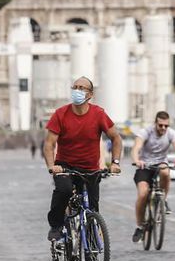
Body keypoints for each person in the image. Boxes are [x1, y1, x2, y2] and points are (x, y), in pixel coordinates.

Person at [44, 76, 122, 241]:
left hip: (90, 168)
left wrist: (115, 163)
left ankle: (92, 247)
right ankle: (57, 225)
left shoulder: (98, 114)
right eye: (75, 87)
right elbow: (49, 144)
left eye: (82, 88)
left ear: (90, 94)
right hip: (65, 166)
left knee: (92, 208)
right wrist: (52, 166)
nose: (77, 91)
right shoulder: (60, 114)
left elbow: (116, 138)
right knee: (64, 191)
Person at [131, 111, 175, 243]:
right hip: (145, 166)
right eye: (160, 125)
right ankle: (139, 226)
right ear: (155, 123)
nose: (163, 128)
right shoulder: (146, 132)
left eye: (166, 126)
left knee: (165, 171)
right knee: (143, 194)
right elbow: (136, 148)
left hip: (160, 163)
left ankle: (163, 200)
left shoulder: (171, 133)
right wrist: (137, 160)